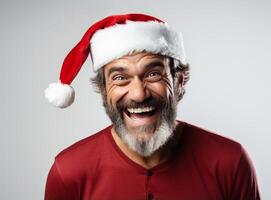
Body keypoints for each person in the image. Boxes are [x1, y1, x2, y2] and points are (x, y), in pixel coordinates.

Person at [44, 13, 260, 200]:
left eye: (153, 74)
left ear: (179, 82)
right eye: (120, 78)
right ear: (102, 89)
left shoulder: (230, 162)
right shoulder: (69, 172)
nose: (139, 94)